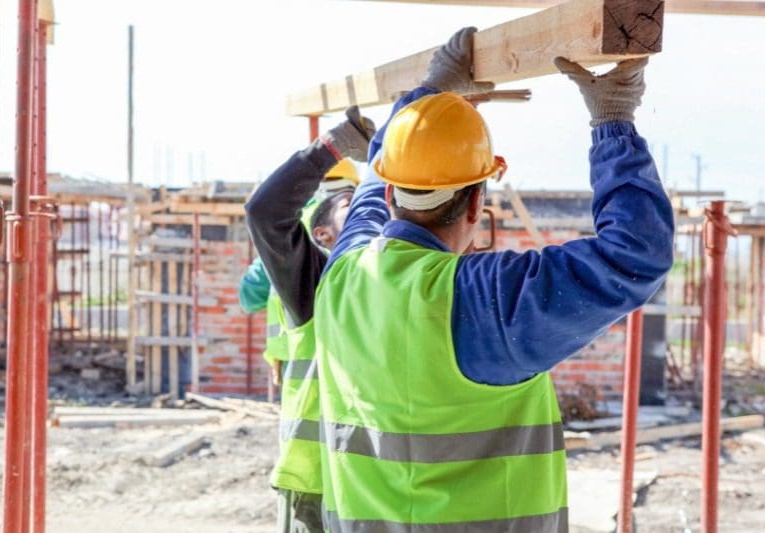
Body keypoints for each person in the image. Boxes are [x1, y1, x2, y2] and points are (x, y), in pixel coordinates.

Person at [313, 27, 674, 531]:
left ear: (393, 193)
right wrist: (612, 120)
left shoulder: (343, 272)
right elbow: (635, 254)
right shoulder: (480, 299)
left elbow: (375, 181)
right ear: (478, 203)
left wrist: (430, 97)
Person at [244, 110, 375, 532]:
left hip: (382, 483)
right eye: (352, 207)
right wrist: (333, 145)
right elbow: (265, 213)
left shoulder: (400, 282)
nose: (370, 215)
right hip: (320, 480)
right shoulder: (319, 284)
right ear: (323, 237)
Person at [239, 160, 361, 382]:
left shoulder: (286, 226)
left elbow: (249, 295)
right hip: (354, 360)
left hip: (295, 358)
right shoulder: (363, 219)